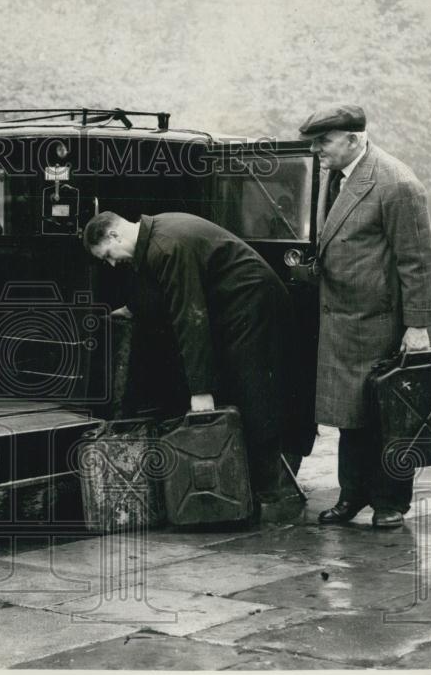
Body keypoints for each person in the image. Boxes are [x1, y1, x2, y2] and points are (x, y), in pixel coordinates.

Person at [83, 211, 294, 501]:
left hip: (254, 305)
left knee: (252, 392)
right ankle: (245, 487)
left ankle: (266, 493)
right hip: (237, 305)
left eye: (107, 254)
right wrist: (135, 308)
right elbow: (157, 285)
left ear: (114, 235)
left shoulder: (167, 246)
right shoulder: (156, 236)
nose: (111, 262)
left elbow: (190, 317)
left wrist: (201, 391)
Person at [298, 104, 431, 529]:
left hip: (381, 323)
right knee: (350, 417)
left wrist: (417, 327)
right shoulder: (334, 176)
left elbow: (419, 261)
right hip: (344, 321)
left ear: (354, 139)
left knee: (387, 418)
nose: (317, 150)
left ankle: (390, 502)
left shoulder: (397, 183)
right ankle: (353, 495)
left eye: (323, 141)